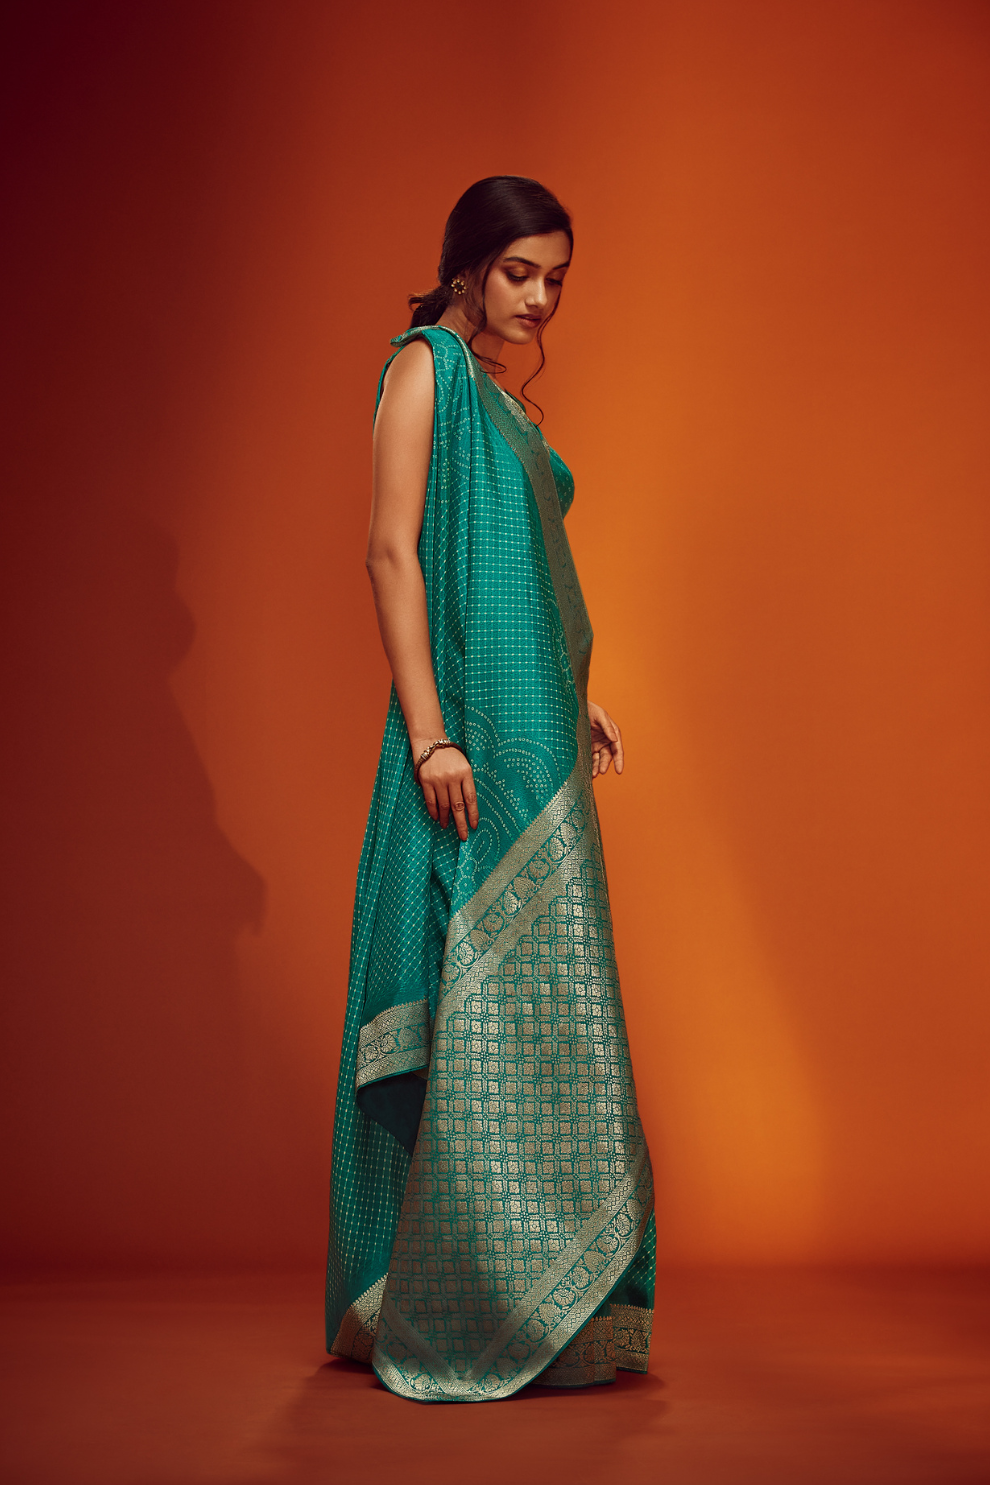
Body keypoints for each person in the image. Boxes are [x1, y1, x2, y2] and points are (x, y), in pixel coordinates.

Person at [325, 176, 655, 1403]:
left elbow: (528, 577)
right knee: (470, 1013)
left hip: (537, 746)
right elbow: (390, 552)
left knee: (546, 1020)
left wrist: (574, 697)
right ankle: (452, 1300)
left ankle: (552, 1307)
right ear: (468, 263)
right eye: (521, 272)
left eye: (556, 277)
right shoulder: (426, 371)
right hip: (465, 747)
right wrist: (431, 738)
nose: (541, 297)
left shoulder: (504, 399)